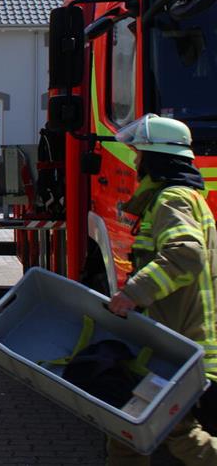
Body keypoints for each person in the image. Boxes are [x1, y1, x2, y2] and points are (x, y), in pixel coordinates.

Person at [106, 114, 217, 465]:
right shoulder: (187, 198)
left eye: (139, 155)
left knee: (170, 432)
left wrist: (132, 293)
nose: (135, 162)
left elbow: (186, 255)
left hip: (175, 349)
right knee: (129, 427)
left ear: (155, 158)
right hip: (172, 344)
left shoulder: (171, 200)